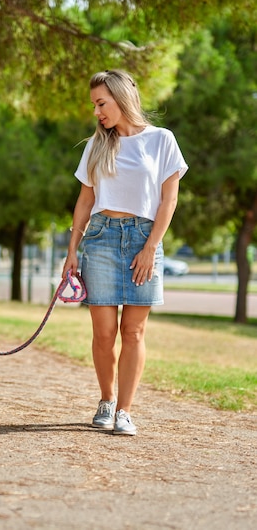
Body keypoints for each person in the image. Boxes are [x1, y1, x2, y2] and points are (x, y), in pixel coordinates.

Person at [62, 69, 188, 436]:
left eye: (101, 103)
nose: (97, 112)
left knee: (133, 331)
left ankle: (125, 410)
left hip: (143, 238)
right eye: (94, 105)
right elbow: (85, 201)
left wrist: (151, 247)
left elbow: (170, 199)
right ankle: (105, 399)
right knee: (104, 332)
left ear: (121, 97)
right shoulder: (96, 145)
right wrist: (72, 250)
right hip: (100, 238)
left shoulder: (162, 140)